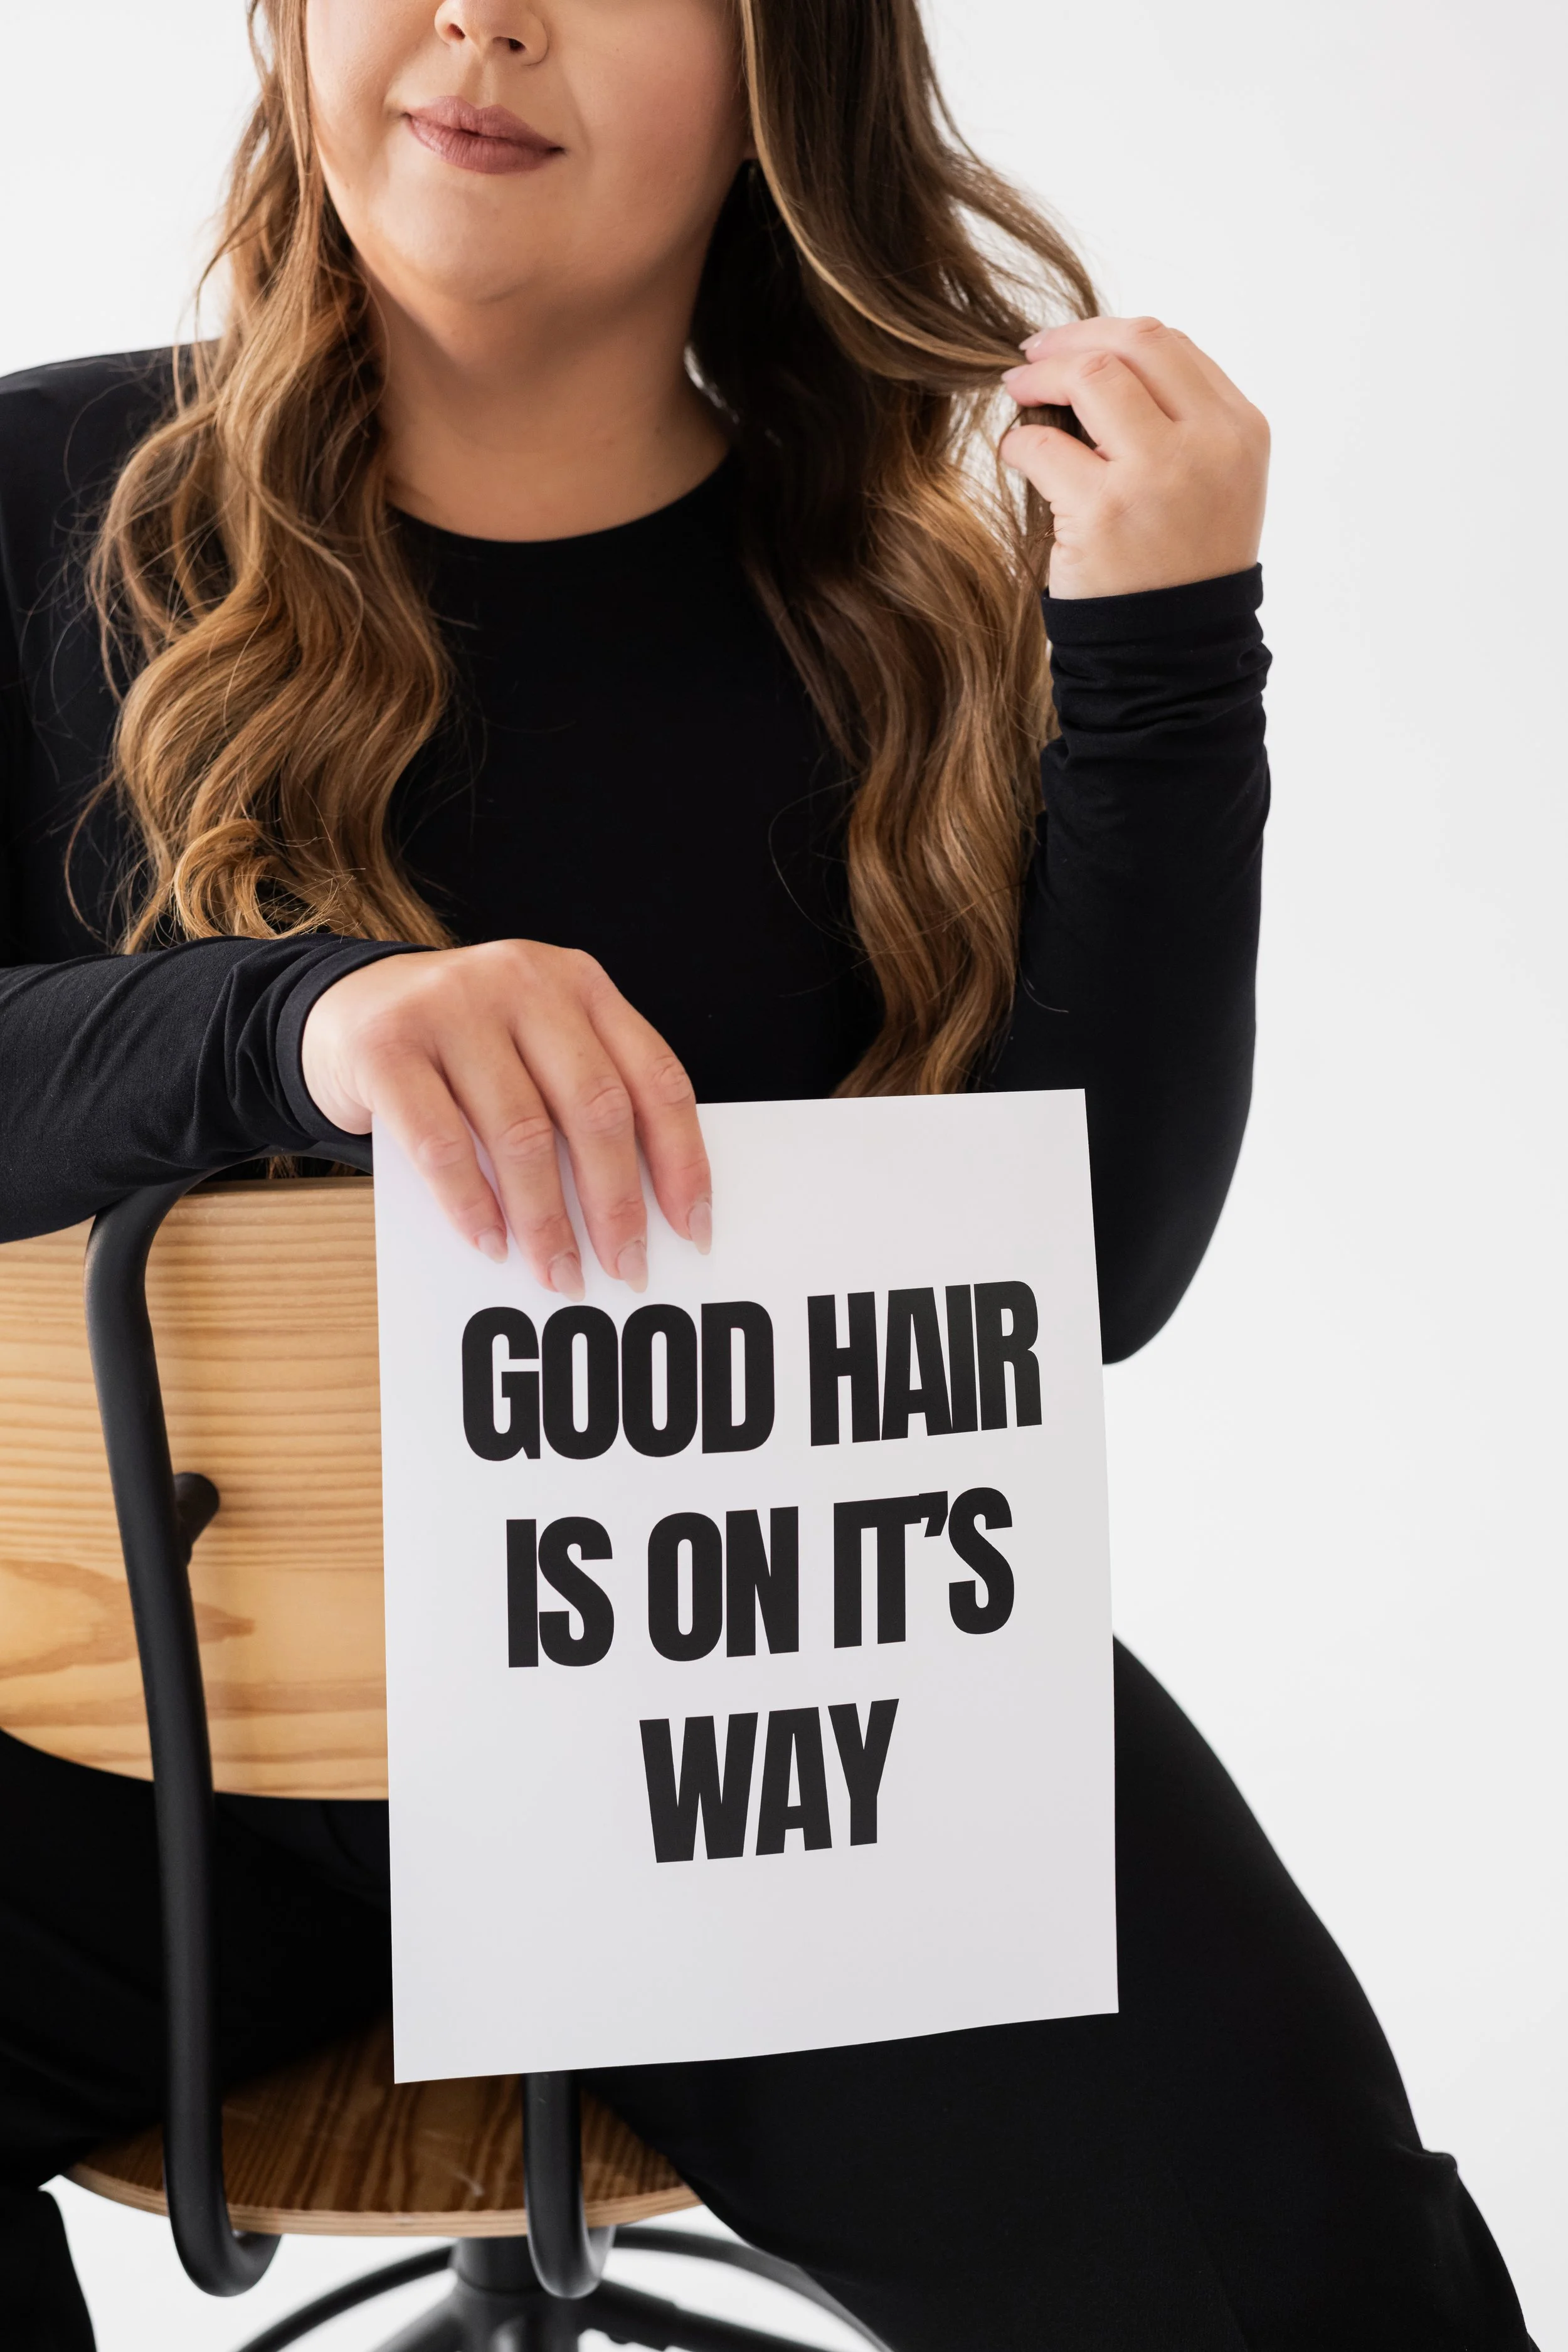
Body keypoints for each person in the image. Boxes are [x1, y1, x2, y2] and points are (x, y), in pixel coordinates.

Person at [0, 2, 1534, 2346]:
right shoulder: (38, 493)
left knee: (1317, 2286)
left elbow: (1089, 1278)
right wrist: (280, 1022)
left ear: (778, 71)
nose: (486, 15)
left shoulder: (918, 588)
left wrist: (1158, 660)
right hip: (85, 1731)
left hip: (774, 1728)